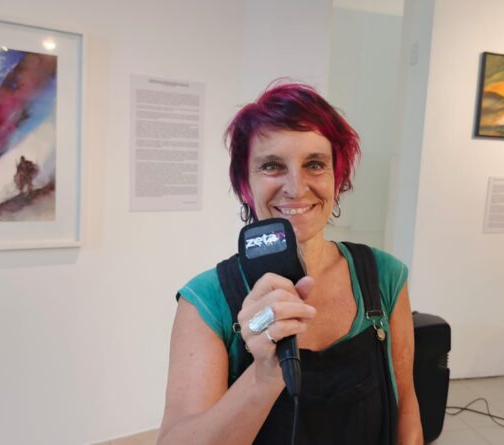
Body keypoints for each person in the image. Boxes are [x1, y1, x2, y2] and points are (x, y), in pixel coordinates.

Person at [157, 83, 423, 445]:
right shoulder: (207, 299)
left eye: (315, 164)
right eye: (272, 166)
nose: (296, 188)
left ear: (337, 178)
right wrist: (264, 374)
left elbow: (405, 406)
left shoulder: (384, 276)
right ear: (245, 183)